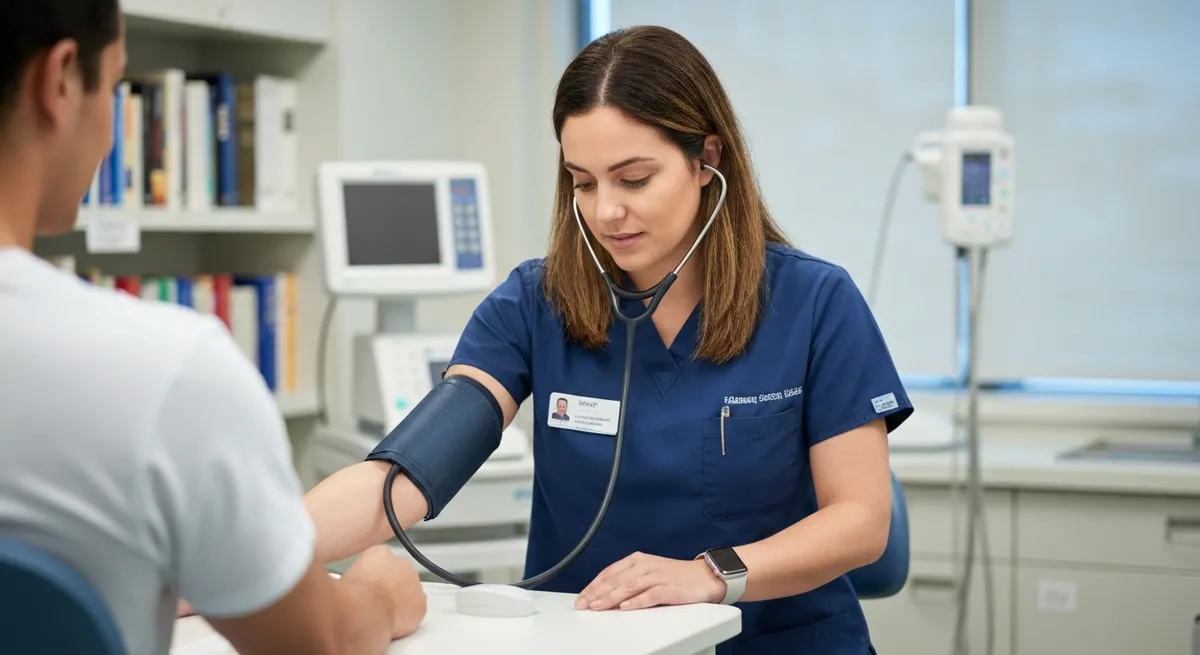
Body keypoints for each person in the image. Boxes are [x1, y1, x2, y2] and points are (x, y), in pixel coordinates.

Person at [304, 25, 911, 654]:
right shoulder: (535, 304)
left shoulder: (815, 303)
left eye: (634, 179)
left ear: (708, 160)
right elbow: (402, 477)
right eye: (584, 183)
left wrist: (708, 576)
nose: (605, 212)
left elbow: (862, 522)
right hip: (594, 641)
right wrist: (241, 563)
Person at [0, 2, 426, 653]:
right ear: (59, 81)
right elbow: (321, 643)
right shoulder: (165, 371)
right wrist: (379, 593)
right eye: (114, 88)